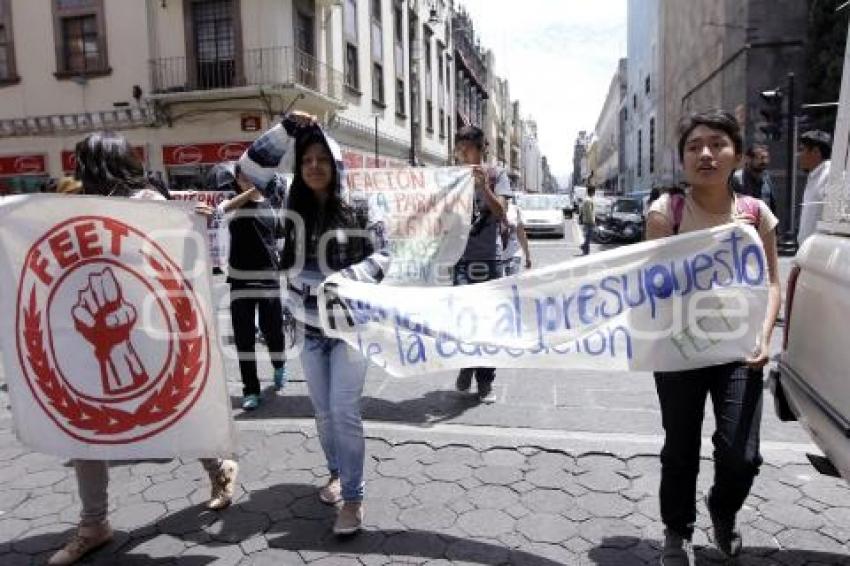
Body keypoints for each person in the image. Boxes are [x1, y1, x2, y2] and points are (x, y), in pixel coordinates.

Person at [48, 132, 239, 566]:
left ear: (99, 162)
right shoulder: (77, 204)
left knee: (175, 408)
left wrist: (186, 215)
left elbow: (174, 247)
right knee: (86, 424)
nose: (77, 169)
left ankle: (218, 467)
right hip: (96, 333)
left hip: (148, 327)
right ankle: (93, 523)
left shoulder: (146, 200)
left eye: (83, 161)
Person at [239, 111, 389, 536]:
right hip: (308, 330)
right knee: (322, 414)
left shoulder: (362, 204)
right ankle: (336, 474)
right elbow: (248, 168)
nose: (314, 166)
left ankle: (354, 499)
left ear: (336, 164)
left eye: (322, 159)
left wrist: (346, 279)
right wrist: (286, 129)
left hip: (349, 329)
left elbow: (384, 255)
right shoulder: (286, 198)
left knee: (343, 411)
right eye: (306, 160)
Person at [645, 110, 781, 565]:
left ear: (737, 156)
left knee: (741, 455)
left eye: (718, 144)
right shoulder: (667, 212)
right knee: (680, 446)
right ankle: (676, 532)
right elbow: (652, 284)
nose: (705, 153)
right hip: (679, 349)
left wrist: (764, 337)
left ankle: (722, 511)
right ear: (682, 158)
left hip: (739, 351)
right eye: (694, 145)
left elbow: (773, 283)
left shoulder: (755, 214)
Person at [211, 162, 287, 410]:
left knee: (272, 331)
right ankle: (251, 390)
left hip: (268, 280)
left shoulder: (272, 204)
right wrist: (251, 190)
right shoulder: (233, 204)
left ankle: (279, 365)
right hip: (240, 280)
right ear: (236, 178)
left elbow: (280, 239)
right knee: (244, 340)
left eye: (251, 173)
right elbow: (221, 211)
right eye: (241, 174)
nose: (246, 177)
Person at [451, 126, 511, 403]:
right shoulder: (450, 178)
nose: (462, 153)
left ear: (480, 149)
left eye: (467, 148)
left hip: (489, 260)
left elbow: (500, 213)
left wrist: (483, 186)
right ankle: (467, 364)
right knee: (464, 319)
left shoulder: (497, 175)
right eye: (459, 148)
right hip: (460, 260)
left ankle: (485, 380)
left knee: (488, 322)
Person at [797, 130, 832, 246]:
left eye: (802, 150)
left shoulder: (829, 175)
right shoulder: (815, 176)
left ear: (816, 152)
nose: (798, 155)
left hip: (820, 253)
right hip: (809, 252)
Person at [730, 144, 777, 212]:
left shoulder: (766, 178)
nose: (764, 161)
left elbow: (772, 205)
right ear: (748, 159)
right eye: (761, 158)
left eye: (766, 158)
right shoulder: (737, 179)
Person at [501, 195, 532, 276]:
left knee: (513, 284)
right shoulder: (492, 209)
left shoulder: (515, 210)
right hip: (498, 257)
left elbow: (521, 234)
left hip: (514, 254)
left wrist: (527, 256)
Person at [579, 186, 596, 255]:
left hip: (586, 220)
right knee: (589, 236)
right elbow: (589, 212)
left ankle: (586, 250)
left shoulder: (585, 199)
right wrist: (592, 221)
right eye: (594, 192)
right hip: (589, 221)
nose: (594, 193)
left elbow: (581, 210)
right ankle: (584, 247)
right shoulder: (589, 200)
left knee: (588, 236)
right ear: (592, 192)